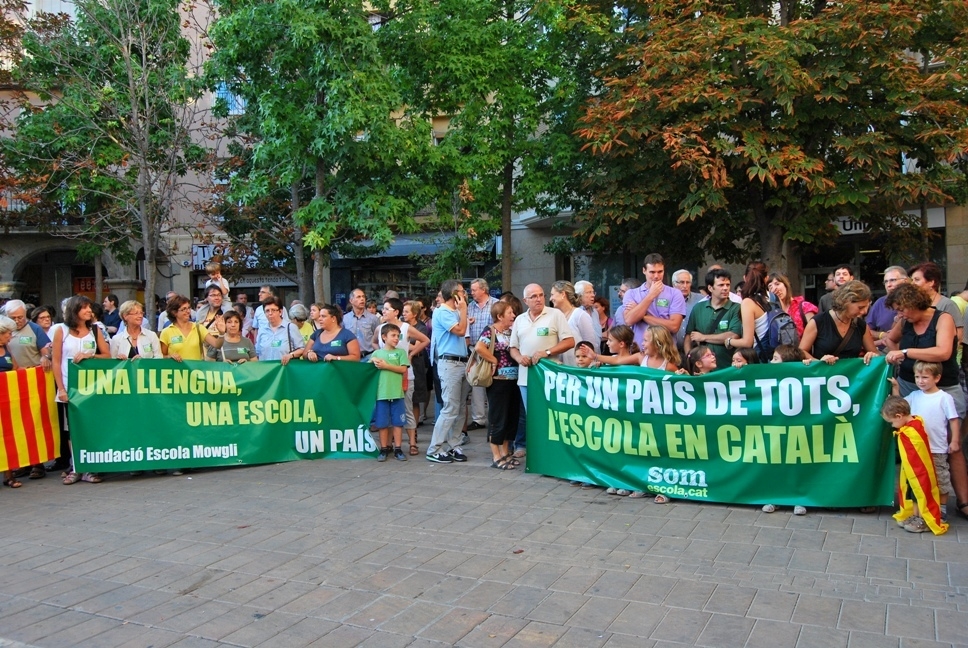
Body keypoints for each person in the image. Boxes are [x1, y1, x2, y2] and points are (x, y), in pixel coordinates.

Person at [884, 282, 968, 521]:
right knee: (914, 442)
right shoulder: (904, 323)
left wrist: (906, 353)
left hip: (945, 386)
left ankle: (962, 500)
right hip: (912, 387)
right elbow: (891, 340)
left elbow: (943, 352)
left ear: (913, 303)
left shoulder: (943, 319)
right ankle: (917, 499)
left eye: (901, 309)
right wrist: (900, 356)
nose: (899, 314)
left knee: (952, 444)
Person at [888, 361, 959, 527]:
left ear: (937, 377)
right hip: (919, 450)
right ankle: (919, 512)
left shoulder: (944, 398)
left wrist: (955, 440)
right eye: (917, 377)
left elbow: (953, 420)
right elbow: (900, 405)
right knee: (920, 481)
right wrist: (896, 388)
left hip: (937, 448)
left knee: (940, 480)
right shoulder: (914, 396)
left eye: (925, 377)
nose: (920, 381)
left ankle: (940, 511)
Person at [508, 283, 575, 458]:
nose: (539, 299)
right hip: (526, 377)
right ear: (525, 300)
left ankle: (555, 452)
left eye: (541, 295)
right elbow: (513, 347)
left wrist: (547, 352)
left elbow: (569, 341)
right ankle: (539, 453)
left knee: (551, 415)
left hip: (550, 376)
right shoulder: (519, 319)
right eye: (534, 296)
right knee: (533, 417)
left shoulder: (555, 314)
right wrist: (518, 358)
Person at [52, 296, 111, 485]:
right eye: (85, 307)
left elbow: (107, 355)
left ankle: (91, 467)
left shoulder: (95, 330)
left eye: (90, 308)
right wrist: (61, 388)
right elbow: (56, 361)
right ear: (74, 310)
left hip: (91, 389)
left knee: (90, 427)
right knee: (72, 429)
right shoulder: (61, 330)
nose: (89, 311)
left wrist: (89, 355)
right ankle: (76, 466)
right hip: (70, 389)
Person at [881, 396, 949, 535]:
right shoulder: (914, 423)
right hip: (911, 471)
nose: (892, 425)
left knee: (920, 493)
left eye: (892, 422)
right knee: (913, 494)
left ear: (899, 416)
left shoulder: (910, 431)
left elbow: (918, 453)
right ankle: (915, 516)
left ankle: (923, 519)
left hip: (919, 472)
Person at [373, 298, 429, 456]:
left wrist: (411, 354)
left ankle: (412, 443)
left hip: (404, 375)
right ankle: (388, 444)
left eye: (386, 309)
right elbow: (374, 344)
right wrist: (379, 355)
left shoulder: (405, 327)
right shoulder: (380, 328)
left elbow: (425, 340)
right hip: (385, 380)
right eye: (383, 308)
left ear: (395, 312)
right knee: (387, 413)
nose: (383, 311)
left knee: (406, 409)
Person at [426, 280, 472, 464]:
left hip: (461, 362)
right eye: (462, 291)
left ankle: (454, 444)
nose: (465, 294)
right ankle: (435, 448)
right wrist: (464, 310)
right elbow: (460, 331)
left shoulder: (453, 312)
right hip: (450, 363)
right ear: (454, 295)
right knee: (450, 408)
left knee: (460, 407)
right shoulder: (443, 311)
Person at [474, 300, 521, 470]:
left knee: (511, 417)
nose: (513, 316)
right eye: (509, 313)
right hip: (498, 382)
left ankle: (506, 452)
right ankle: (496, 455)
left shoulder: (512, 331)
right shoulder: (490, 331)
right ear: (500, 316)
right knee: (498, 417)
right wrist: (494, 359)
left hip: (514, 381)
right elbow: (479, 347)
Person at [799, 281, 877, 365]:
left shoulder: (861, 325)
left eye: (866, 307)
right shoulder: (818, 322)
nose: (864, 311)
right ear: (846, 302)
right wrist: (819, 362)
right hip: (824, 375)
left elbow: (876, 354)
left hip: (851, 376)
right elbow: (801, 351)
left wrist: (872, 355)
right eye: (860, 307)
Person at [622, 253, 686, 348]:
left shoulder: (675, 293)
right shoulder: (631, 293)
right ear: (644, 270)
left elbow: (674, 326)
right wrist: (651, 295)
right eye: (652, 272)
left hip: (666, 352)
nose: (656, 276)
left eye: (660, 272)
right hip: (641, 352)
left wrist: (643, 316)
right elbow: (629, 320)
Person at [684, 268, 742, 370]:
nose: (725, 288)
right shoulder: (698, 307)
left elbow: (733, 336)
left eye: (728, 285)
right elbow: (688, 336)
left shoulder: (736, 308)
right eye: (721, 285)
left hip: (728, 367)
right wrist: (690, 358)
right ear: (710, 288)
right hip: (703, 370)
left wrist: (703, 337)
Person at [370, 324, 409, 462]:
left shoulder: (400, 353)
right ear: (384, 337)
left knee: (398, 422)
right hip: (381, 394)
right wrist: (372, 360)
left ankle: (398, 448)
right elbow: (368, 367)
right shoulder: (377, 354)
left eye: (398, 336)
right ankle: (384, 448)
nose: (396, 338)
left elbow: (403, 369)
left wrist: (386, 366)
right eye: (393, 335)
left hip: (397, 393)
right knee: (382, 423)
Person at [466, 278, 498, 431]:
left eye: (474, 290)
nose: (471, 293)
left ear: (483, 289)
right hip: (473, 348)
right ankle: (478, 419)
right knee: (476, 383)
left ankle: (494, 417)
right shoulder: (469, 307)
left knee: (492, 383)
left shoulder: (496, 304)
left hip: (491, 349)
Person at [727, 261, 772, 359]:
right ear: (766, 279)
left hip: (760, 357)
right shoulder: (774, 297)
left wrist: (729, 341)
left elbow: (747, 342)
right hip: (777, 356)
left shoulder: (748, 302)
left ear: (744, 278)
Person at [550, 280, 597, 367]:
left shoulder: (580, 315)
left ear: (563, 294)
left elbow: (591, 345)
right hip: (560, 371)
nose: (550, 299)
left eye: (552, 295)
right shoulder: (555, 316)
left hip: (578, 371)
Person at [0, 315, 24, 489]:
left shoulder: (7, 348)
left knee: (7, 436)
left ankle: (8, 475)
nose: (10, 336)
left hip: (6, 400)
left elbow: (15, 368)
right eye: (8, 333)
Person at [598, 324, 681, 372]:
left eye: (645, 340)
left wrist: (686, 374)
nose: (642, 344)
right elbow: (617, 360)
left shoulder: (669, 366)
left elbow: (683, 381)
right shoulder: (641, 357)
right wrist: (596, 357)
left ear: (657, 344)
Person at [403, 300, 430, 445]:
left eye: (406, 312)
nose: (403, 314)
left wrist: (405, 344)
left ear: (414, 314)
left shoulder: (421, 327)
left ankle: (415, 429)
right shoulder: (401, 325)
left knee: (415, 398)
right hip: (403, 362)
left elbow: (418, 346)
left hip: (417, 363)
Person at [254, 296, 304, 363]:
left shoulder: (290, 327)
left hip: (284, 370)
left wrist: (290, 355)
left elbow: (302, 349)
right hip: (266, 370)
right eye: (267, 311)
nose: (270, 313)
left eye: (273, 310)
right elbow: (257, 353)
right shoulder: (262, 330)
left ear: (280, 311)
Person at [868, 266, 908, 346]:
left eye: (892, 280)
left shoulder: (915, 301)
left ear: (905, 281)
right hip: (884, 351)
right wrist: (881, 335)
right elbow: (867, 331)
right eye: (886, 282)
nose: (888, 285)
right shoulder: (880, 303)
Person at [768, 272, 817, 337]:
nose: (774, 289)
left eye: (777, 284)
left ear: (786, 285)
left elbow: (814, 332)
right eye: (770, 287)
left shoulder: (805, 307)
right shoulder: (772, 312)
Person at [671, 269, 703, 351]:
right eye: (681, 282)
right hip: (671, 350)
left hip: (694, 350)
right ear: (674, 284)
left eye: (688, 282)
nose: (685, 286)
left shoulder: (701, 300)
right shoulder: (666, 300)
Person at [343, 288, 380, 358]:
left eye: (363, 296)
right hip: (350, 357)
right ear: (351, 301)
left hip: (369, 357)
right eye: (358, 297)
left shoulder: (373, 319)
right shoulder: (345, 319)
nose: (362, 299)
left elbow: (378, 339)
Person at [252, 285, 289, 350]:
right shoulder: (258, 310)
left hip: (279, 344)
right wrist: (256, 345)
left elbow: (287, 326)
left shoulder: (281, 309)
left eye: (263, 292)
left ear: (270, 294)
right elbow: (256, 329)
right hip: (263, 345)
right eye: (267, 311)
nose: (259, 294)